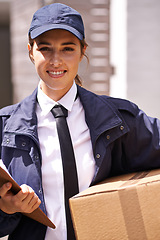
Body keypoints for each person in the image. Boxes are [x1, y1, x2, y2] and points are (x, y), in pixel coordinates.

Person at [0, 2, 160, 240]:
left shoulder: (117, 119)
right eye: (45, 48)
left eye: (67, 49)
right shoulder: (6, 128)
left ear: (83, 50)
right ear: (30, 51)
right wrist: (8, 208)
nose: (56, 61)